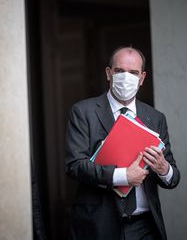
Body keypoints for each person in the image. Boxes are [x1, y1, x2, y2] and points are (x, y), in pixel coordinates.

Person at [64, 47, 180, 240]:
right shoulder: (83, 112)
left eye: (133, 72)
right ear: (108, 73)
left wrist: (163, 168)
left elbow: (173, 177)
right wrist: (123, 176)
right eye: (119, 71)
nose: (126, 77)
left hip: (145, 227)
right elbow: (74, 166)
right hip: (99, 226)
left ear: (142, 78)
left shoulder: (156, 118)